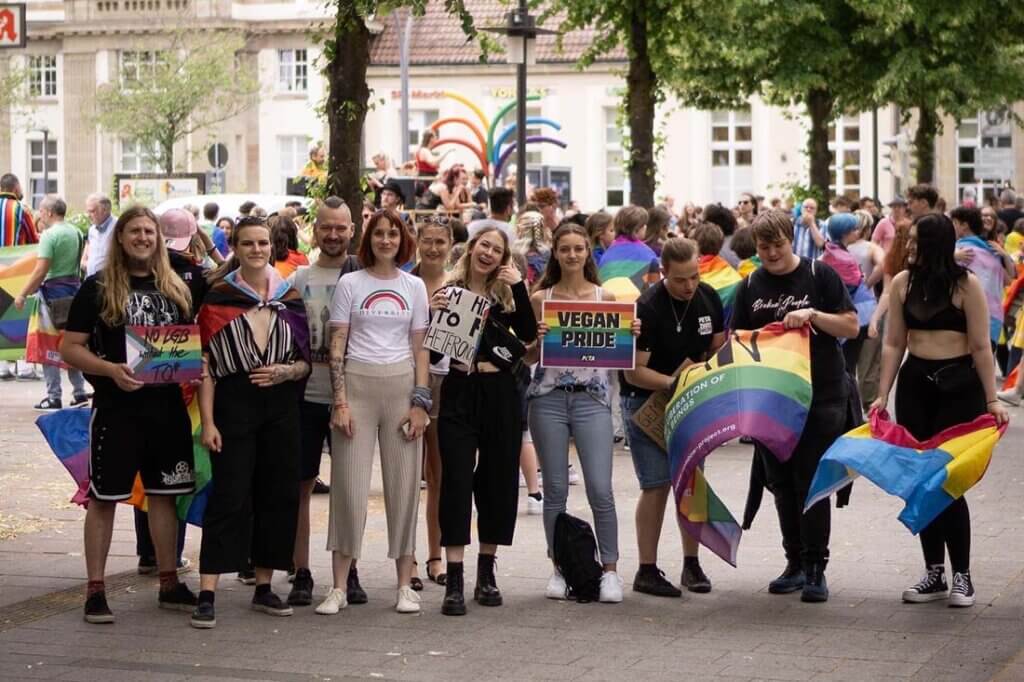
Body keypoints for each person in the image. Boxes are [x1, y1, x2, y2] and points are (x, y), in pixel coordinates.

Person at [60, 205, 199, 624]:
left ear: (158, 239)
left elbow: (185, 343)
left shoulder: (175, 286)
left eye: (149, 232)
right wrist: (109, 371)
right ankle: (96, 591)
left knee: (164, 496)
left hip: (167, 409)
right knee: (103, 499)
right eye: (135, 231)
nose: (143, 238)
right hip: (116, 410)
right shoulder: (98, 287)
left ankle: (169, 582)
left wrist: (195, 364)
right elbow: (70, 347)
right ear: (120, 238)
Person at [871, 213, 1010, 607]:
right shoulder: (902, 283)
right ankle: (934, 571)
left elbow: (982, 347)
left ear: (935, 245)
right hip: (916, 387)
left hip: (959, 389)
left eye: (916, 242)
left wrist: (992, 399)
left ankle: (962, 575)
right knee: (920, 483)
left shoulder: (967, 287)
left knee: (948, 483)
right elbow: (894, 343)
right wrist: (883, 394)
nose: (910, 248)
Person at [731, 209, 858, 603]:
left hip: (822, 394)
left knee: (810, 481)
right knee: (782, 483)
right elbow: (736, 338)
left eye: (778, 245)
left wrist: (814, 316)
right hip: (771, 399)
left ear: (791, 239)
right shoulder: (750, 283)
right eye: (763, 246)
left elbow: (851, 326)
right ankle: (795, 563)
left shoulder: (820, 276)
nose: (770, 253)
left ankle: (817, 566)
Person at [193, 216, 311, 629]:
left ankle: (264, 586)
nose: (257, 249)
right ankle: (208, 590)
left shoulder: (290, 295)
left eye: (263, 242)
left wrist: (286, 373)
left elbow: (304, 363)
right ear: (236, 248)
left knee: (277, 495)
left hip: (280, 406)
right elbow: (204, 365)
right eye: (248, 243)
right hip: (233, 402)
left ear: (271, 247)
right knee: (230, 494)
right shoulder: (219, 297)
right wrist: (208, 422)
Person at [318, 208, 430, 616]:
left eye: (393, 234)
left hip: (400, 387)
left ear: (403, 240)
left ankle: (404, 585)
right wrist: (341, 401)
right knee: (348, 489)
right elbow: (337, 344)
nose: (386, 240)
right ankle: (338, 587)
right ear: (368, 239)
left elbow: (421, 349)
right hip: (357, 386)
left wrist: (420, 403)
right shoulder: (350, 283)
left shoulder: (414, 286)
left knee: (403, 489)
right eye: (379, 233)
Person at [527, 223, 634, 603]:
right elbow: (526, 357)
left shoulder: (607, 298)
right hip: (548, 398)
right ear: (555, 253)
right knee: (554, 489)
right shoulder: (541, 298)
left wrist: (629, 334)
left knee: (600, 490)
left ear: (588, 252)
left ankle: (610, 570)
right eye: (565, 249)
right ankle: (559, 567)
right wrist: (534, 341)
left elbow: (620, 354)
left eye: (579, 248)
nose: (572, 255)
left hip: (592, 400)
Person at [434, 226, 537, 616]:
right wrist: (435, 309)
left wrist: (521, 287)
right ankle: (455, 577)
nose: (489, 253)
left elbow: (528, 335)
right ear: (472, 248)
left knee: (497, 481)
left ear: (504, 257)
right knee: (457, 480)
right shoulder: (450, 288)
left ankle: (487, 571)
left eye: (497, 249)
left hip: (500, 394)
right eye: (484, 245)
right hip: (460, 390)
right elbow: (432, 344)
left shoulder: (508, 294)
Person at [620, 237, 725, 597]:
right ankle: (646, 569)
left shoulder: (709, 297)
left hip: (690, 402)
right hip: (646, 402)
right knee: (656, 485)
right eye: (681, 279)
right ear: (663, 273)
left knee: (691, 482)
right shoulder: (647, 307)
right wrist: (675, 381)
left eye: (694, 276)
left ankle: (691, 563)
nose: (689, 286)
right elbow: (635, 372)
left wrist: (710, 373)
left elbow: (718, 345)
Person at [285, 197, 361, 608]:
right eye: (326, 227)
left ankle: (349, 571)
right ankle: (301, 571)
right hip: (306, 397)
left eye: (340, 228)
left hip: (355, 398)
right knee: (300, 487)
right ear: (315, 231)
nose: (333, 235)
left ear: (352, 230)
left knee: (349, 490)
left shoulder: (366, 277)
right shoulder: (299, 278)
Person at [14, 196, 90, 410]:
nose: (40, 215)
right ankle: (79, 392)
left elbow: (41, 271)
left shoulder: (49, 235)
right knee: (73, 342)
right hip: (73, 295)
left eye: (41, 211)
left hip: (50, 297)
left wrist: (22, 294)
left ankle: (54, 396)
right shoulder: (76, 232)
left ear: (48, 212)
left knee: (48, 345)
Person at [412, 216, 454, 587]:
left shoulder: (459, 286)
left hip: (446, 384)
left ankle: (435, 556)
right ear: (417, 241)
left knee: (437, 474)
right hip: (406, 382)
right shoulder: (403, 282)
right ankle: (405, 559)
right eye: (428, 240)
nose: (434, 248)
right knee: (406, 475)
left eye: (440, 241)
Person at [598, 205, 661, 303]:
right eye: (644, 224)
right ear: (636, 229)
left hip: (608, 304)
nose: (646, 227)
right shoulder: (648, 253)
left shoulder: (607, 253)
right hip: (636, 306)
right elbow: (655, 288)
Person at [83, 194, 117, 277]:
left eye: (92, 211)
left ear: (105, 210)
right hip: (90, 281)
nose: (88, 215)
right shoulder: (92, 229)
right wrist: (84, 261)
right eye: (87, 211)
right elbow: (89, 244)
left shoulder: (118, 226)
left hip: (109, 282)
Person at [0, 172, 38, 246]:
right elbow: (33, 240)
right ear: (16, 189)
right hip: (14, 257)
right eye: (21, 187)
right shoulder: (21, 209)